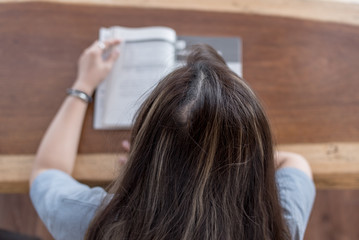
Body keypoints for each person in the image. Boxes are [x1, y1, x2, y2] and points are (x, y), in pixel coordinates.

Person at [29, 40, 315, 240]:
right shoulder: (280, 225)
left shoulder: (93, 222)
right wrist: (217, 155)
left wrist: (83, 85)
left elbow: (46, 171)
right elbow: (294, 161)